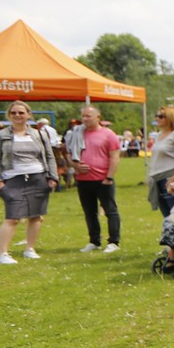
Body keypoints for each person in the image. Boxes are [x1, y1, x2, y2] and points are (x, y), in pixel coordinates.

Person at [0, 100, 59, 264]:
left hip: (38, 178)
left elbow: (49, 156)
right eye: (13, 113)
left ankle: (30, 249)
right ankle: (3, 254)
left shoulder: (39, 134)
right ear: (9, 115)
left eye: (21, 112)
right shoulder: (0, 136)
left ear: (28, 115)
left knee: (35, 216)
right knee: (12, 218)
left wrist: (53, 177)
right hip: (13, 180)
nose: (17, 115)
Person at [73, 106, 121, 254]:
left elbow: (114, 157)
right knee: (90, 212)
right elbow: (70, 153)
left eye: (88, 116)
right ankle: (94, 241)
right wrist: (75, 165)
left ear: (98, 117)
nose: (85, 119)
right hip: (83, 180)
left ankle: (114, 241)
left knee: (110, 211)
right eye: (83, 116)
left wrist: (109, 176)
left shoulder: (108, 135)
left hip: (102, 180)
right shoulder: (78, 134)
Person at [147, 107, 174, 219]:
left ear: (170, 118)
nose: (157, 118)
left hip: (169, 178)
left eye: (161, 116)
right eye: (157, 116)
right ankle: (170, 231)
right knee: (167, 216)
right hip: (157, 178)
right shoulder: (159, 135)